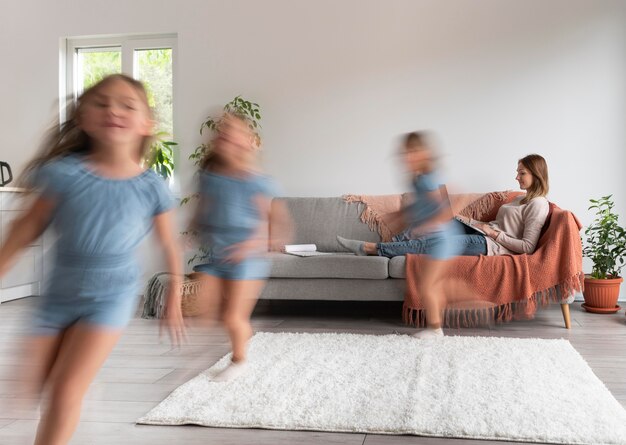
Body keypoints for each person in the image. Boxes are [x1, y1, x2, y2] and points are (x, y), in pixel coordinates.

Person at [0, 74, 185, 445]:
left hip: (111, 297)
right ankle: (82, 377)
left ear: (147, 123)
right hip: (57, 295)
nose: (113, 110)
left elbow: (169, 245)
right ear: (82, 117)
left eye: (127, 105)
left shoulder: (150, 186)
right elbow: (25, 228)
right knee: (27, 390)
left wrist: (175, 296)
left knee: (65, 393)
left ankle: (77, 384)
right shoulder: (62, 174)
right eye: (101, 103)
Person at [338, 150, 550, 337]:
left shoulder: (539, 205)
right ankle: (391, 244)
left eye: (522, 173)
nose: (517, 177)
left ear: (536, 174)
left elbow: (527, 247)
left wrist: (493, 234)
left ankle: (373, 248)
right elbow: (500, 224)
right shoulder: (519, 199)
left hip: (491, 245)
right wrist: (472, 222)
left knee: (437, 241)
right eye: (518, 171)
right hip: (482, 233)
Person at [188, 112, 290, 382]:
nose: (224, 136)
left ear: (247, 142)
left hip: (248, 258)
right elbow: (202, 210)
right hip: (216, 253)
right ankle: (243, 332)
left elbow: (274, 225)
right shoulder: (210, 176)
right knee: (207, 310)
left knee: (233, 317)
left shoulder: (257, 181)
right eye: (222, 132)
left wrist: (252, 245)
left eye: (232, 132)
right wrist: (191, 232)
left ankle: (239, 360)